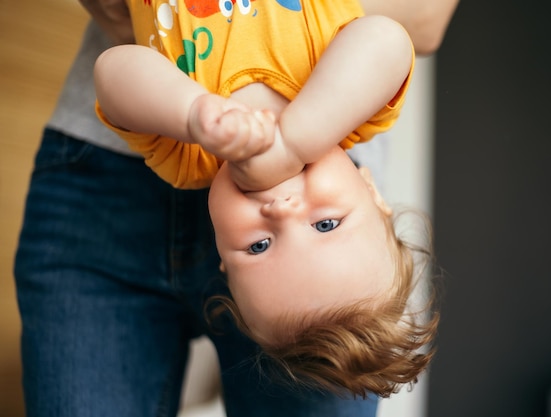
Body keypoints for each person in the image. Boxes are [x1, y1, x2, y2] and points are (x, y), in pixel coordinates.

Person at [13, 0, 458, 415]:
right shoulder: (356, 113)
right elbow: (386, 39)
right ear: (375, 195)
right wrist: (294, 141)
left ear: (222, 263)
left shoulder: (184, 155)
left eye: (260, 245)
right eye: (325, 224)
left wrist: (192, 113)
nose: (281, 210)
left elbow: (112, 71)